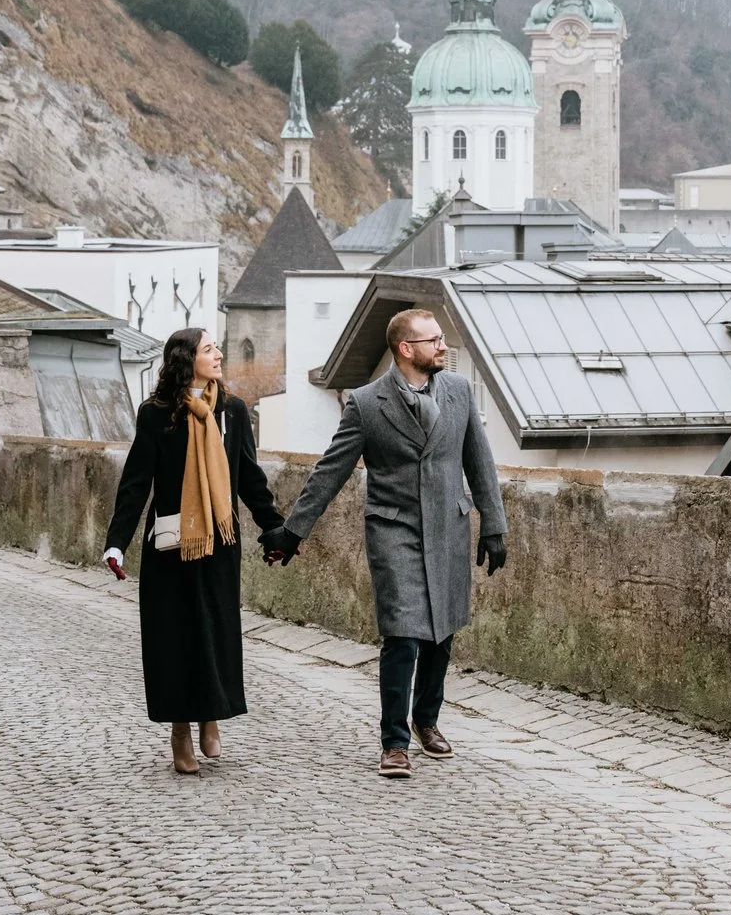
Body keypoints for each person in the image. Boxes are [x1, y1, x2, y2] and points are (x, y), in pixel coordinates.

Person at [260, 308, 506, 777]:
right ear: (406, 349)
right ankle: (394, 742)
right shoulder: (368, 404)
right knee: (404, 633)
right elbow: (330, 471)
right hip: (394, 529)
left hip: (449, 526)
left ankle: (426, 721)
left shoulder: (457, 391)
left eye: (441, 339)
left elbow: (479, 460)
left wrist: (494, 525)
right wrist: (293, 532)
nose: (443, 347)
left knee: (442, 633)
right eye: (433, 341)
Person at [103, 328, 284, 775]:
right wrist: (116, 543)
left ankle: (211, 716)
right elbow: (135, 483)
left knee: (216, 632)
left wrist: (276, 530)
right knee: (173, 638)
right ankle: (180, 729)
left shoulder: (233, 412)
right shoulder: (157, 414)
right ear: (187, 359)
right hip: (169, 547)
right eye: (209, 349)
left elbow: (250, 479)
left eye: (217, 348)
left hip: (219, 544)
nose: (219, 354)